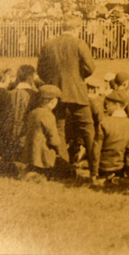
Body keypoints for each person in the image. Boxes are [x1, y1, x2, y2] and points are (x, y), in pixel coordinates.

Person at [37, 15, 96, 165]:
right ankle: (94, 164)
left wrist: (52, 81)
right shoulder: (79, 43)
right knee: (87, 126)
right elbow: (90, 68)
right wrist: (77, 77)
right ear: (77, 29)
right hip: (76, 91)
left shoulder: (49, 44)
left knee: (59, 127)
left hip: (55, 91)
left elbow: (41, 70)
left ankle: (62, 163)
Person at [20, 85, 76, 180]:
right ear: (53, 101)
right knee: (70, 171)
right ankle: (40, 175)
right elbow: (53, 139)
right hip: (43, 156)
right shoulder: (48, 115)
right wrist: (60, 149)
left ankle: (33, 172)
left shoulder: (33, 113)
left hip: (30, 155)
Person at [92, 91, 129, 184]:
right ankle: (118, 178)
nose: (105, 108)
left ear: (117, 105)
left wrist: (94, 172)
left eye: (107, 105)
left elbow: (96, 149)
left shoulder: (104, 122)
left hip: (103, 167)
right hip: (120, 167)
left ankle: (106, 178)